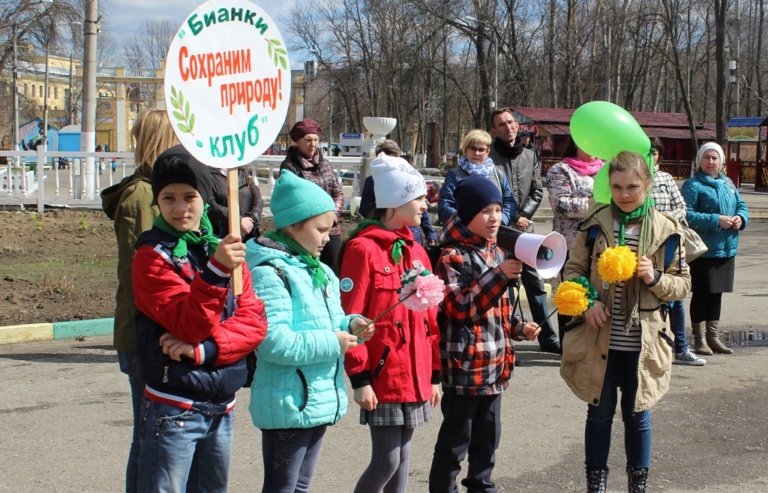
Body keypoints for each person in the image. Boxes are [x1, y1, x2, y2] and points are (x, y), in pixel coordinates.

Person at [131, 145, 268, 492]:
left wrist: (203, 351)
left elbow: (254, 323)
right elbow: (188, 324)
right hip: (173, 407)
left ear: (205, 198)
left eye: (189, 196)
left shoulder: (221, 247)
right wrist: (216, 271)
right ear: (156, 202)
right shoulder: (152, 257)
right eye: (168, 198)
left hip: (222, 405)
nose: (180, 208)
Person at [560, 151, 691, 493]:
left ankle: (638, 484)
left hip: (643, 344)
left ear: (647, 184)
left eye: (632, 186)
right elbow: (571, 271)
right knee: (599, 416)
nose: (625, 194)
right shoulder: (595, 222)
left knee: (638, 417)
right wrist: (587, 303)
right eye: (617, 187)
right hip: (600, 339)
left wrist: (655, 278)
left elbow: (683, 284)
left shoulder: (666, 229)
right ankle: (597, 484)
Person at [245, 170, 372, 493]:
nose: (328, 237)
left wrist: (350, 323)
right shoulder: (270, 274)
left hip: (316, 398)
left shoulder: (321, 271)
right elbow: (273, 343)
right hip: (288, 403)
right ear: (293, 225)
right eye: (320, 229)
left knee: (300, 486)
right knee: (283, 487)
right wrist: (334, 342)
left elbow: (330, 321)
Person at [428, 175, 540, 493]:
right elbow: (460, 307)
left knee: (487, 443)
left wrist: (519, 327)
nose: (495, 218)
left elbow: (500, 305)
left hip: (495, 368)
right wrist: (499, 275)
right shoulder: (453, 255)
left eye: (497, 209)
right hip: (465, 369)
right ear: (466, 214)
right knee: (454, 445)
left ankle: (482, 486)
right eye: (485, 211)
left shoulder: (496, 251)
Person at [339, 153, 441, 493]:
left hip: (415, 374)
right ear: (396, 203)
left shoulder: (417, 250)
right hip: (383, 377)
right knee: (387, 460)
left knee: (403, 459)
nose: (426, 205)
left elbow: (430, 319)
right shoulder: (362, 249)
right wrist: (360, 378)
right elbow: (350, 319)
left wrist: (435, 375)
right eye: (419, 198)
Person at [100, 108, 177, 493]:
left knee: (158, 439)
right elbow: (142, 277)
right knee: (149, 439)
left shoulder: (159, 192)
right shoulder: (141, 196)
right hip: (145, 334)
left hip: (156, 331)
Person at [489, 109, 560, 354]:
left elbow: (537, 191)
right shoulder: (489, 158)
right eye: (501, 124)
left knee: (536, 283)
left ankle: (548, 338)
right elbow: (491, 194)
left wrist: (525, 215)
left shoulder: (530, 155)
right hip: (500, 230)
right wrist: (513, 217)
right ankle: (507, 339)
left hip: (526, 232)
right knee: (504, 285)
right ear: (494, 130)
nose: (507, 127)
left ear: (517, 126)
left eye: (510, 122)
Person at [681, 142, 749, 355]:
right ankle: (699, 339)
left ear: (721, 161)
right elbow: (687, 215)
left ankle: (714, 337)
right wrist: (715, 219)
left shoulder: (728, 182)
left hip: (727, 248)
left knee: (717, 294)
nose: (711, 162)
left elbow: (741, 205)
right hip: (704, 250)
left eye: (715, 158)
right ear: (699, 161)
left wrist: (740, 218)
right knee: (702, 293)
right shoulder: (692, 185)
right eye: (707, 158)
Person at [649, 137, 705, 366]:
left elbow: (681, 206)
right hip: (646, 246)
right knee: (650, 297)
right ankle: (651, 351)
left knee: (676, 297)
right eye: (646, 151)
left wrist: (665, 221)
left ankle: (681, 348)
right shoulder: (633, 178)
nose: (650, 155)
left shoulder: (666, 178)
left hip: (670, 241)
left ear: (659, 155)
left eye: (654, 151)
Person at [547, 136, 603, 342]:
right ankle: (569, 343)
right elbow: (560, 205)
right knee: (573, 294)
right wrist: (594, 204)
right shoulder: (561, 170)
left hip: (601, 243)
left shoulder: (606, 170)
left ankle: (592, 344)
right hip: (570, 244)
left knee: (596, 296)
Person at [281, 119, 345, 269]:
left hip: (332, 230)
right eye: (308, 140)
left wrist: (332, 219)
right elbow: (294, 200)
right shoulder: (290, 167)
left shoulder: (325, 164)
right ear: (297, 141)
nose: (313, 144)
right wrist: (316, 224)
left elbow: (338, 193)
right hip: (307, 232)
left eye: (316, 140)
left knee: (335, 270)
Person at [358, 139, 437, 245]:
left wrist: (430, 232)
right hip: (386, 233)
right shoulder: (372, 181)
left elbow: (421, 208)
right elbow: (365, 207)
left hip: (413, 235)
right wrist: (386, 214)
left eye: (393, 159)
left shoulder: (410, 178)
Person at [438, 129, 516, 227]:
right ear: (466, 149)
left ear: (488, 151)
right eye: (473, 148)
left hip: (494, 232)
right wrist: (469, 224)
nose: (477, 153)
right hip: (465, 233)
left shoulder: (498, 174)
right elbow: (445, 205)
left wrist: (502, 220)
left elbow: (509, 201)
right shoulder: (455, 175)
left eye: (481, 149)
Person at [207, 166, 264, 242]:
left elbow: (257, 199)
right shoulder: (209, 174)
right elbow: (211, 205)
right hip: (223, 234)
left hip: (249, 234)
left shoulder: (243, 172)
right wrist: (239, 221)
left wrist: (249, 222)